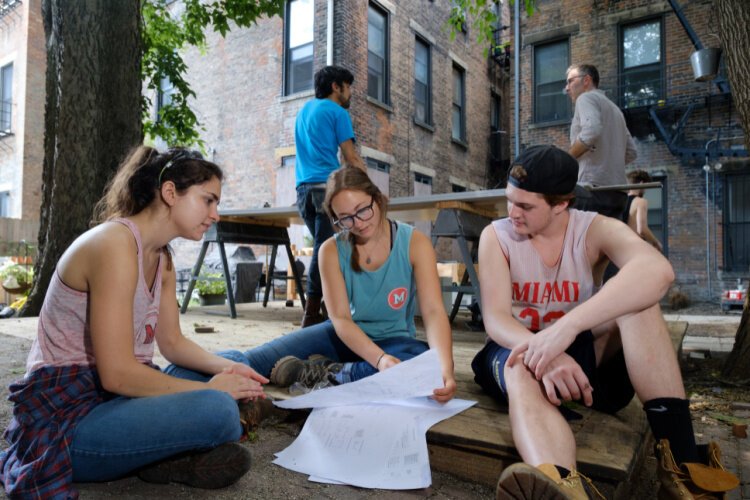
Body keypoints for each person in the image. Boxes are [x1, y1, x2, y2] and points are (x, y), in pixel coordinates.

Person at [0, 147, 269, 498]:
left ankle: (159, 457)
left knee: (236, 362)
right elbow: (116, 374)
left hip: (116, 399)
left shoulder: (162, 258)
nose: (215, 214)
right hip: (71, 416)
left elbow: (172, 344)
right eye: (208, 200)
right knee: (217, 409)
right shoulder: (113, 244)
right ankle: (165, 455)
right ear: (170, 193)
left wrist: (230, 369)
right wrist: (213, 390)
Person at [471, 146, 738, 499]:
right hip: (514, 353)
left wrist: (565, 330)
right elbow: (496, 320)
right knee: (521, 364)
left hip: (583, 363)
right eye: (509, 200)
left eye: (525, 206)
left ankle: (682, 470)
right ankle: (564, 487)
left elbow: (658, 271)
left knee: (637, 303)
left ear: (561, 204)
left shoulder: (593, 229)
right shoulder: (498, 235)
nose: (512, 212)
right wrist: (545, 350)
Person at [166, 166, 456, 402]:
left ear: (377, 198)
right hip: (344, 336)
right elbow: (341, 319)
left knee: (420, 361)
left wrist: (445, 369)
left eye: (362, 210)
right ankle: (176, 376)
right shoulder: (331, 249)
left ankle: (328, 373)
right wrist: (378, 361)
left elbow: (432, 312)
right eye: (346, 218)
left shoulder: (414, 242)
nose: (358, 222)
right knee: (255, 360)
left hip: (395, 341)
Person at [295, 65, 366, 328]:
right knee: (327, 251)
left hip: (303, 191)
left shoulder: (303, 112)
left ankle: (327, 309)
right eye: (348, 87)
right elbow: (351, 157)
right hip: (325, 189)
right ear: (336, 87)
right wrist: (369, 187)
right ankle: (311, 314)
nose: (350, 94)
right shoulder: (337, 112)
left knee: (329, 249)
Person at [565, 64, 638, 219]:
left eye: (570, 81)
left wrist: (567, 159)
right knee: (607, 242)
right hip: (618, 194)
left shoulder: (585, 98)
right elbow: (631, 152)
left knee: (582, 241)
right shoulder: (615, 110)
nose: (567, 88)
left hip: (591, 190)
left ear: (586, 80)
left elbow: (591, 130)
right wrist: (607, 161)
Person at [623, 169, 663, 252]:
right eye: (646, 187)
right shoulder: (640, 202)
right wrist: (656, 242)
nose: (645, 190)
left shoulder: (620, 200)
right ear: (641, 183)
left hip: (621, 246)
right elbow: (641, 229)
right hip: (635, 247)